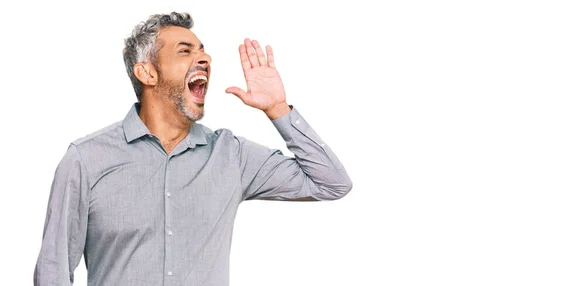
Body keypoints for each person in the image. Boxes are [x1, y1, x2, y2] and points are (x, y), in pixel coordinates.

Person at [33, 12, 352, 286]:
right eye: (185, 51)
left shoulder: (231, 155)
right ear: (147, 72)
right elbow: (53, 271)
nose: (206, 59)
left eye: (203, 51)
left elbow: (331, 183)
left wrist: (278, 109)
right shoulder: (86, 160)